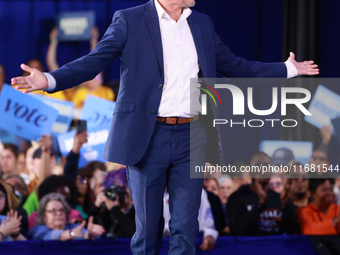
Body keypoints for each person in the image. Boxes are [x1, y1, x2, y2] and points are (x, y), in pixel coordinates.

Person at [11, 0, 319, 253]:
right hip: (147, 136)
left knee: (186, 228)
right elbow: (94, 61)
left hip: (191, 136)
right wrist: (49, 80)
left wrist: (288, 68)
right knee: (149, 230)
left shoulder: (201, 23)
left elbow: (235, 65)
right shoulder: (130, 19)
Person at [28, 192, 105, 240]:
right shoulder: (37, 230)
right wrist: (71, 234)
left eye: (61, 210)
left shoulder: (73, 227)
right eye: (53, 211)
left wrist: (90, 234)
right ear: (43, 216)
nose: (58, 213)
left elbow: (84, 234)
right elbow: (50, 237)